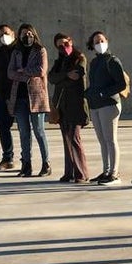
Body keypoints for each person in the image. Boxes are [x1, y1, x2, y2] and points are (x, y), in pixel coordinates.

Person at [7, 23, 51, 177]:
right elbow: (10, 73)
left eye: (30, 34)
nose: (27, 36)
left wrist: (23, 71)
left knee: (39, 131)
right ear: (19, 36)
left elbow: (41, 70)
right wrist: (26, 75)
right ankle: (26, 164)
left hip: (36, 96)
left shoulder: (40, 50)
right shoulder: (16, 52)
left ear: (34, 35)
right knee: (24, 133)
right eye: (24, 34)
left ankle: (46, 163)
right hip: (19, 97)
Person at [84, 30, 126, 185]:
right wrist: (89, 93)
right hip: (95, 105)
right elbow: (94, 83)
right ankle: (106, 170)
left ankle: (114, 173)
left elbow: (121, 84)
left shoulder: (112, 61)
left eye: (102, 40)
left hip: (109, 105)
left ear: (107, 41)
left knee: (110, 140)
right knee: (102, 141)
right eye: (96, 42)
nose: (99, 44)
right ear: (92, 45)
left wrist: (103, 93)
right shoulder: (94, 62)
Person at [48, 33, 90, 183]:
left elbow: (77, 77)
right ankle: (69, 172)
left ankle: (82, 174)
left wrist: (61, 78)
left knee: (74, 138)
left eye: (65, 44)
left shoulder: (80, 58)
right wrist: (65, 75)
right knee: (66, 139)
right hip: (61, 105)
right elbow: (51, 78)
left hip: (76, 105)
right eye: (59, 45)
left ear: (70, 42)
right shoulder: (59, 62)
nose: (63, 47)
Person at [0, 23, 16, 171]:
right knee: (2, 127)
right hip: (2, 94)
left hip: (18, 94)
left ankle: (27, 159)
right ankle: (7, 158)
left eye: (6, 33)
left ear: (13, 33)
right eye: (0, 34)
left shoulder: (19, 50)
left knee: (26, 128)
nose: (3, 36)